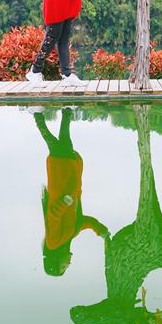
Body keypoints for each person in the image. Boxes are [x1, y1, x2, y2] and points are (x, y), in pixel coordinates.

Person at [31, 106, 109, 276]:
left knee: (61, 144)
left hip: (61, 182)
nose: (69, 263)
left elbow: (53, 216)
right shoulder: (69, 235)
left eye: (64, 266)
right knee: (62, 143)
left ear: (56, 260)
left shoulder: (53, 242)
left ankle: (42, 115)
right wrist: (101, 231)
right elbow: (85, 222)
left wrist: (64, 203)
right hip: (69, 180)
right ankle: (54, 114)